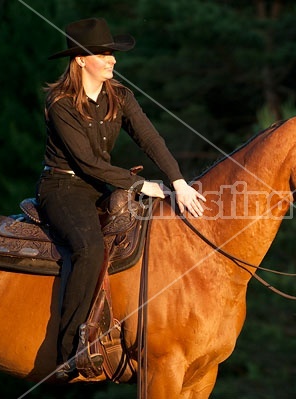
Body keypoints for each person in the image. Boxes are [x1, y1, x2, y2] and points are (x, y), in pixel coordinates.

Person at [38, 17, 206, 380]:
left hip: (102, 185)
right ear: (81, 60)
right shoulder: (61, 103)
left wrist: (177, 181)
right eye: (103, 53)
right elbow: (86, 162)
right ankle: (70, 351)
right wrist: (140, 185)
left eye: (112, 53)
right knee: (90, 248)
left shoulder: (120, 96)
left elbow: (150, 139)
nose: (112, 60)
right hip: (63, 188)